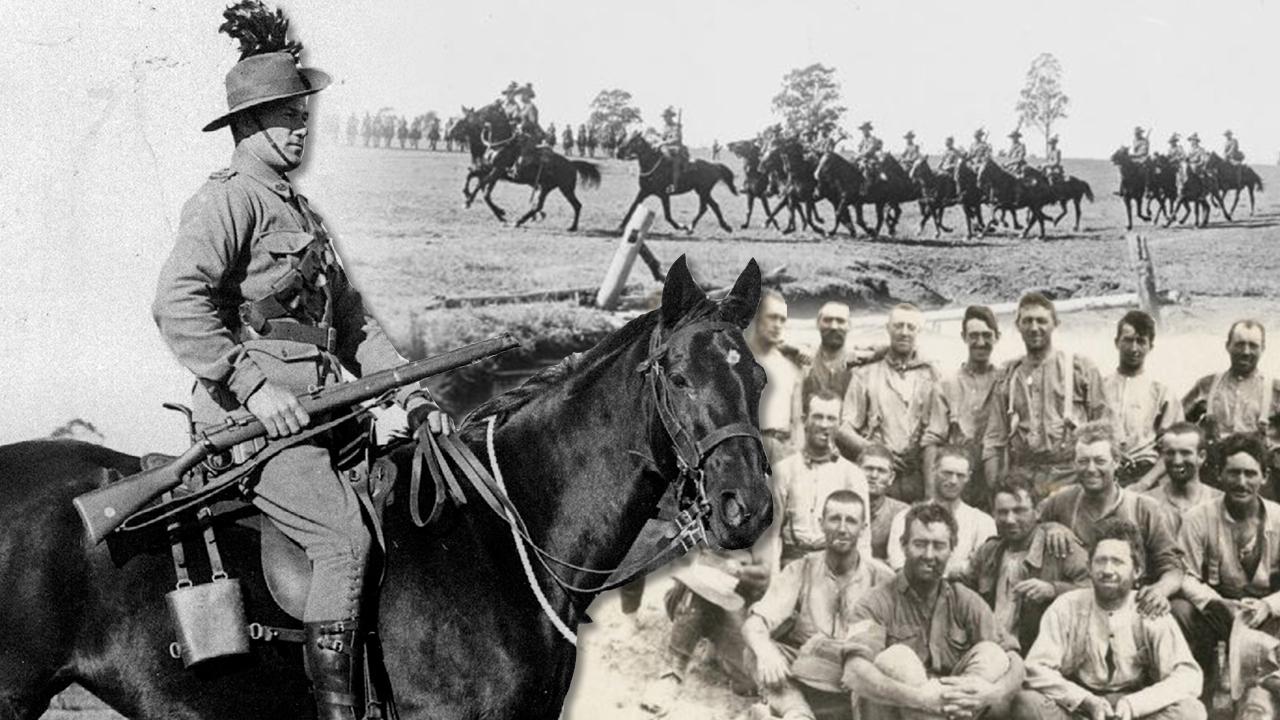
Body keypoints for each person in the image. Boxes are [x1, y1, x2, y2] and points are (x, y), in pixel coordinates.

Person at [152, 29, 451, 720]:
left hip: (323, 416)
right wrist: (254, 390)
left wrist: (407, 390)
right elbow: (177, 302)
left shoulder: (304, 216)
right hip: (252, 422)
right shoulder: (229, 200)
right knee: (343, 540)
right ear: (249, 122)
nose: (301, 127)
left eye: (304, 114)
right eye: (286, 114)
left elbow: (353, 324)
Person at [841, 503, 1025, 720]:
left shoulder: (964, 600)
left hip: (952, 712)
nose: (929, 555)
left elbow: (1015, 661)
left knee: (993, 654)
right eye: (920, 544)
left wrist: (992, 693)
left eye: (939, 546)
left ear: (951, 550)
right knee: (897, 658)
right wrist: (921, 699)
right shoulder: (875, 601)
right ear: (904, 546)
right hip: (893, 712)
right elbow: (854, 672)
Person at [1012, 519, 1205, 720]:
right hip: (1079, 710)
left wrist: (1133, 705)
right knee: (1027, 703)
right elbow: (1035, 668)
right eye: (1100, 561)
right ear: (1089, 567)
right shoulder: (1066, 606)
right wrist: (1086, 701)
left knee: (1191, 711)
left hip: (1137, 711)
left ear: (1137, 571)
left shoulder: (1148, 608)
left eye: (1118, 562)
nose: (1107, 570)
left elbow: (1188, 676)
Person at [743, 490, 895, 720]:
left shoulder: (882, 578)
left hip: (855, 678)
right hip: (805, 670)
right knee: (753, 652)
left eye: (851, 521)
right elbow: (756, 622)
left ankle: (773, 713)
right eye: (835, 519)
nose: (842, 528)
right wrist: (765, 652)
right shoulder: (801, 569)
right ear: (821, 523)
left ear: (863, 528)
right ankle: (797, 713)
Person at [1173, 433, 1280, 711]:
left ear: (1265, 477)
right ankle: (1198, 695)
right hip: (1218, 612)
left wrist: (1268, 606)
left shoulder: (1279, 519)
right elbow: (1185, 574)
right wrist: (1216, 603)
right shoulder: (1198, 518)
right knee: (1180, 610)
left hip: (1267, 612)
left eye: (1250, 473)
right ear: (1219, 474)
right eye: (1233, 473)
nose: (1241, 482)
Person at [1035, 422, 1184, 618]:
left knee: (1180, 611)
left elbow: (1173, 568)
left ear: (1116, 462)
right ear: (1074, 464)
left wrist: (1160, 590)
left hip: (1132, 606)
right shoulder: (1062, 502)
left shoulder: (1144, 508)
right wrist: (1049, 526)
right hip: (1076, 605)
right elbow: (1027, 526)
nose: (1091, 469)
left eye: (1100, 461)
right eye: (1083, 461)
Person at [982, 293, 1108, 499]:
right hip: (1022, 478)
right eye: (1027, 321)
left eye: (1041, 321)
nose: (1034, 328)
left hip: (1071, 477)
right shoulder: (1008, 375)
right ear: (1018, 326)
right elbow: (994, 439)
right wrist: (996, 489)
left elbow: (1104, 428)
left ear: (1055, 324)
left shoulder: (1080, 368)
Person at [958, 475, 1090, 654]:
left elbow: (1095, 589)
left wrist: (1054, 589)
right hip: (990, 649)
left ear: (1037, 511)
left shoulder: (1059, 546)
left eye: (1019, 510)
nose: (1010, 519)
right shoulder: (989, 551)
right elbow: (962, 588)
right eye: (1002, 512)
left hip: (1041, 653)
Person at [838, 303, 940, 502]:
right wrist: (876, 451)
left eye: (911, 327)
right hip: (877, 475)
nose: (904, 332)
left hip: (917, 473)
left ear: (919, 331)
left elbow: (937, 431)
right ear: (888, 328)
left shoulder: (932, 375)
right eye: (898, 326)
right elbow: (844, 429)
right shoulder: (865, 373)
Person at [773, 392, 872, 565]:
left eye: (831, 418)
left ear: (840, 424)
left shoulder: (853, 475)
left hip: (834, 565)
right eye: (818, 417)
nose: (824, 425)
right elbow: (771, 535)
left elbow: (863, 539)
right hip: (790, 563)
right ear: (805, 420)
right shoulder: (783, 470)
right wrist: (774, 582)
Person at [923, 305, 1001, 506]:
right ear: (964, 337)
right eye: (974, 335)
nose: (980, 342)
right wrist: (931, 493)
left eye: (987, 335)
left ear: (997, 337)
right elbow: (933, 439)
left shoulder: (1005, 381)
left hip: (994, 476)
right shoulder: (947, 384)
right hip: (956, 476)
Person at [886, 447, 997, 578]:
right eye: (947, 473)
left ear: (968, 477)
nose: (953, 481)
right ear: (933, 471)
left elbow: (981, 566)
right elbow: (897, 562)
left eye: (960, 475)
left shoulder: (982, 522)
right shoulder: (905, 517)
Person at [1103, 310, 1183, 487]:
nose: (1134, 348)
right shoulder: (1100, 388)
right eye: (1128, 340)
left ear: (1150, 346)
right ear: (1116, 342)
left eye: (1141, 341)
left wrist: (1144, 484)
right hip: (1104, 473)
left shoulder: (1162, 392)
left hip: (1145, 475)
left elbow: (1173, 448)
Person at [1183, 320, 1280, 465]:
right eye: (1239, 344)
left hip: (1259, 477)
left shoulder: (1275, 390)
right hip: (1213, 472)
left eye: (1253, 346)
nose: (1246, 352)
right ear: (1228, 346)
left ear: (1263, 349)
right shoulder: (1206, 385)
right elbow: (1177, 425)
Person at [750, 289, 802, 464]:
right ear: (756, 317)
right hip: (748, 446)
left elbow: (797, 421)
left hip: (782, 448)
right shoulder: (737, 360)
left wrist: (796, 455)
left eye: (782, 319)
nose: (778, 324)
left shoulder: (791, 368)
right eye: (772, 317)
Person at [1140, 423, 1222, 532]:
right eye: (1170, 453)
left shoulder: (1219, 502)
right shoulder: (1147, 504)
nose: (1177, 461)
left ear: (1201, 457)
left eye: (1185, 453)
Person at [792, 301, 856, 426]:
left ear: (849, 326)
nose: (834, 326)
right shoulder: (804, 360)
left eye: (840, 321)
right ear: (817, 324)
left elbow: (893, 348)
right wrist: (795, 350)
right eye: (827, 320)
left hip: (846, 433)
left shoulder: (858, 362)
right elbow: (766, 343)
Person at [863, 444, 910, 562]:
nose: (874, 476)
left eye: (881, 471)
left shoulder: (902, 513)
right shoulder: (841, 506)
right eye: (868, 469)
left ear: (891, 478)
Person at [658, 106, 688, 194]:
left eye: (666, 116)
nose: (665, 119)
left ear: (671, 117)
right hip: (666, 148)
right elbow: (663, 137)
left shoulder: (677, 126)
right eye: (664, 117)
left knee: (675, 163)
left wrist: (664, 143)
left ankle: (674, 185)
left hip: (676, 148)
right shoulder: (665, 127)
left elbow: (676, 139)